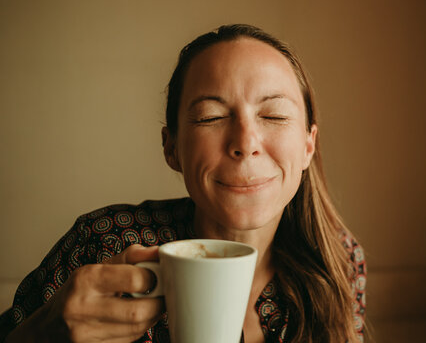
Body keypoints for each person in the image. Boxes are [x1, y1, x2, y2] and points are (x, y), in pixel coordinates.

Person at [0, 24, 366, 343]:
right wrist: (41, 334)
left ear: (307, 145)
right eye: (211, 117)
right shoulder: (100, 246)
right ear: (172, 148)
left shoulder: (341, 262)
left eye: (273, 114)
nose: (246, 142)